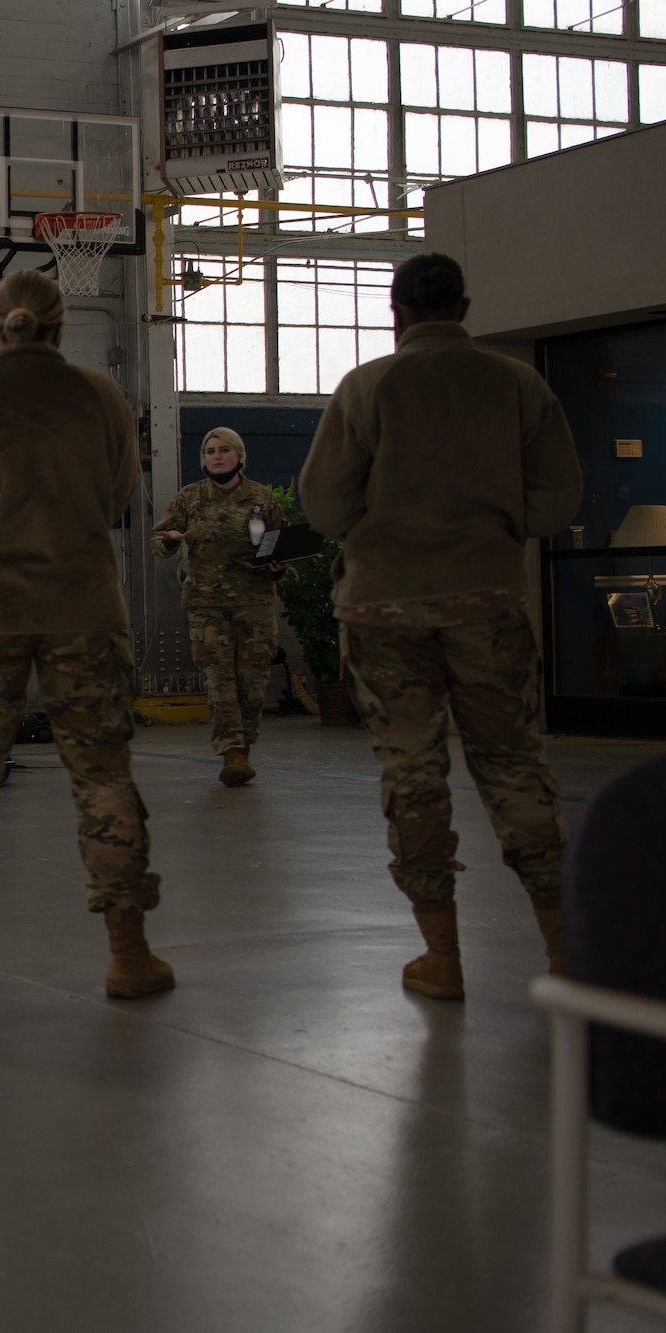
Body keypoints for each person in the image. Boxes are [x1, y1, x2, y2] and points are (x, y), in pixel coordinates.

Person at [301, 252, 582, 1000]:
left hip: (384, 609)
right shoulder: (518, 384)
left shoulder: (367, 386)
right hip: (488, 600)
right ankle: (561, 949)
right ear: (464, 307)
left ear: (396, 314)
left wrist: (385, 530)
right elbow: (557, 503)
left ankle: (442, 955)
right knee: (515, 764)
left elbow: (325, 508)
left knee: (413, 771)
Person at [0, 268, 172, 1000]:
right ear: (61, 329)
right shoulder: (102, 399)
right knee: (104, 780)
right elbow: (118, 494)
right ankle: (127, 952)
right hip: (83, 611)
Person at [151, 426, 286, 786]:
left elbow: (280, 545)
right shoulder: (190, 498)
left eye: (224, 450)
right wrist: (171, 541)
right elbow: (159, 541)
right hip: (206, 603)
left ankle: (245, 745)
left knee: (253, 683)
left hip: (254, 602)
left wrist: (278, 565)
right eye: (210, 451)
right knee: (219, 680)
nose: (217, 456)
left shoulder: (262, 498)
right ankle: (233, 753)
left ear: (239, 455)